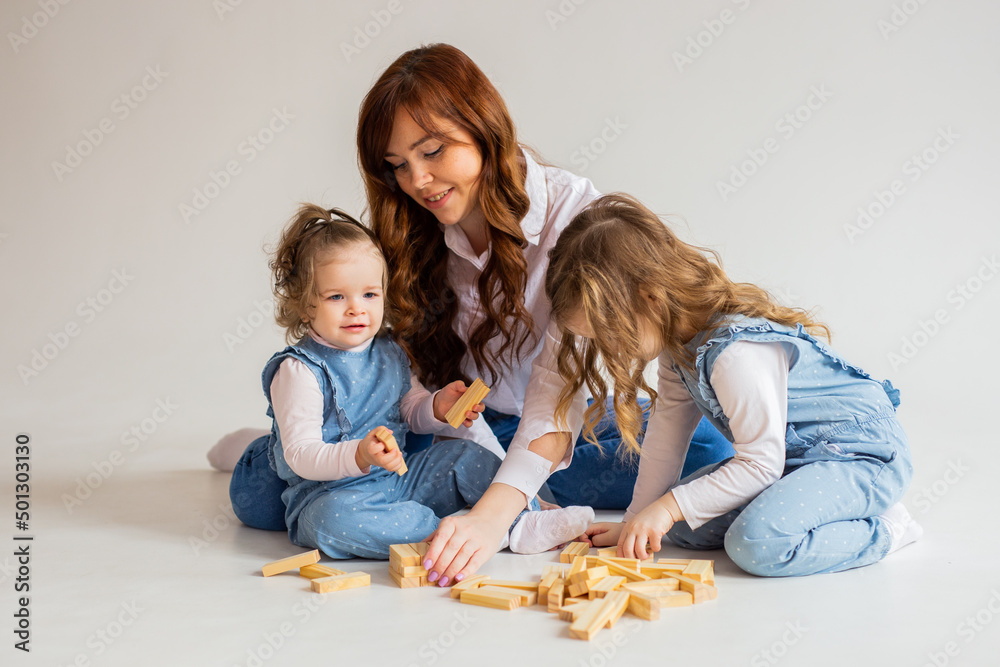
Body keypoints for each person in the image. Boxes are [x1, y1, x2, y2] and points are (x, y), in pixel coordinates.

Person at [213, 43, 733, 582]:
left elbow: (555, 398)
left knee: (705, 457)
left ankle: (490, 492)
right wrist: (436, 435)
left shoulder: (578, 219)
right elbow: (386, 373)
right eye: (398, 166)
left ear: (484, 127)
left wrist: (489, 519)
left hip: (542, 423)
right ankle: (279, 444)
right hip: (439, 429)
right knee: (260, 501)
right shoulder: (411, 224)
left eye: (433, 151)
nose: (416, 182)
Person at [542, 193, 921, 576]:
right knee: (685, 530)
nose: (609, 351)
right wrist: (638, 517)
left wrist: (668, 507)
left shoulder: (735, 354)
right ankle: (820, 510)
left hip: (859, 457)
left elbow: (760, 463)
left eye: (610, 335)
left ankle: (888, 527)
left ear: (650, 298)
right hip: (791, 462)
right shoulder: (676, 348)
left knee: (756, 545)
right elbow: (666, 436)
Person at [244, 203, 593, 559]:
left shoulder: (389, 349)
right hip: (333, 495)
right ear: (304, 306)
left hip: (401, 480)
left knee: (465, 454)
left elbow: (410, 408)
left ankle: (523, 519)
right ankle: (452, 533)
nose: (356, 308)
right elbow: (301, 455)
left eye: (369, 294)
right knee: (330, 522)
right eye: (336, 297)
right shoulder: (299, 370)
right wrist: (360, 454)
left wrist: (437, 407)